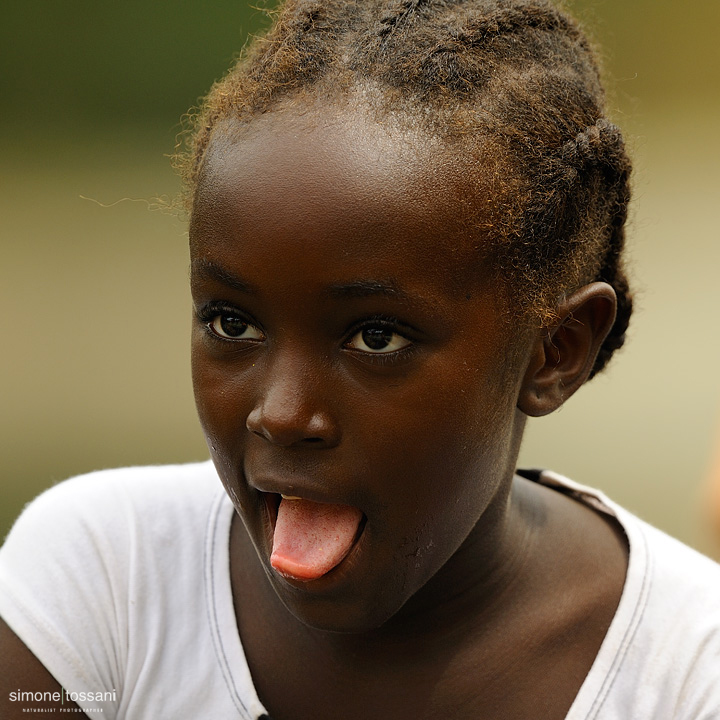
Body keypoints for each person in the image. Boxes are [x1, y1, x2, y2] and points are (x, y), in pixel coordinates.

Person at [1, 1, 719, 718]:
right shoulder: (105, 585)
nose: (281, 415)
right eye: (232, 322)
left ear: (554, 352)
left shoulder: (685, 672)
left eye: (376, 338)